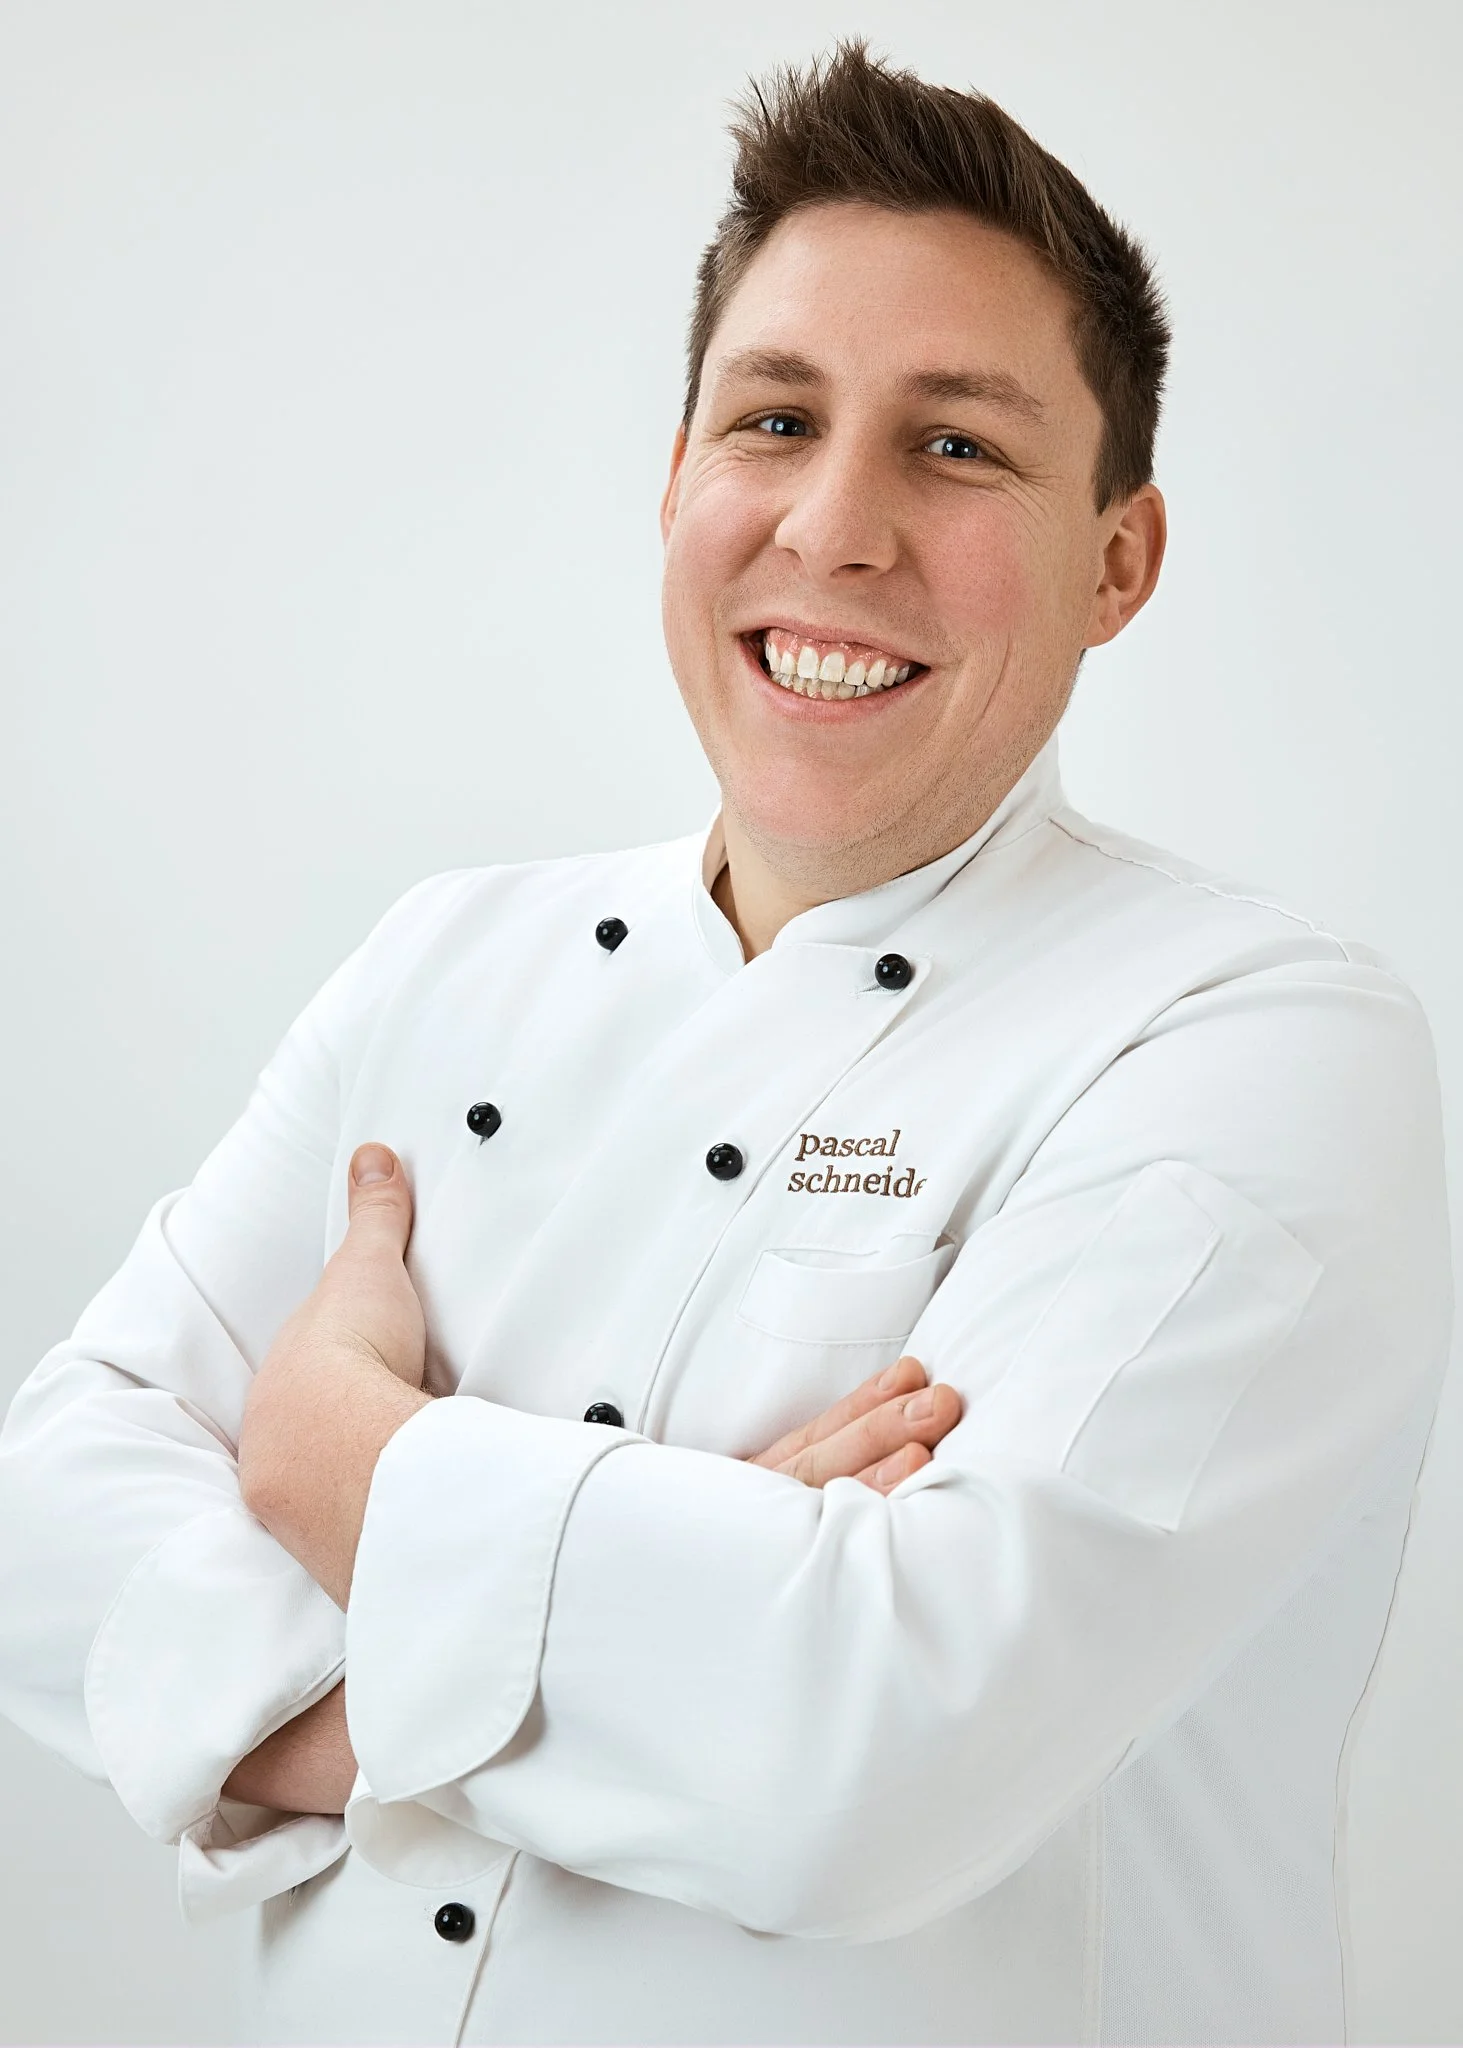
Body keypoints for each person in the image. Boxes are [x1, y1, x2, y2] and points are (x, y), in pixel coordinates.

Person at [0, 37, 1451, 2048]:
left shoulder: (1253, 1042)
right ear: (677, 479)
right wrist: (505, 1662)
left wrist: (342, 1452)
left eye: (955, 446)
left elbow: (869, 1754)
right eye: (774, 419)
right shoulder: (444, 962)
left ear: (1115, 559)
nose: (835, 528)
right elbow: (45, 1521)